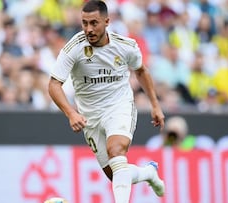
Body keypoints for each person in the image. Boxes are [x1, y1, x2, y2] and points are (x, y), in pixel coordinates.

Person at [48, 1, 165, 202]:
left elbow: (141, 71)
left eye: (94, 23)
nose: (88, 29)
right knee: (117, 174)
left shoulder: (125, 46)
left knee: (116, 150)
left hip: (118, 106)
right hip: (90, 117)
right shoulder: (74, 47)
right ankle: (148, 173)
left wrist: (155, 105)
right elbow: (53, 84)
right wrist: (71, 113)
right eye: (84, 23)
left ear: (107, 21)